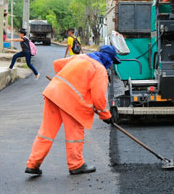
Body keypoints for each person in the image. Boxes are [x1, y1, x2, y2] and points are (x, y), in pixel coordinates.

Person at [25, 45, 120, 175]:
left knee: (46, 132)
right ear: (108, 59)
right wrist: (106, 116)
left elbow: (57, 64)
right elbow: (99, 98)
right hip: (71, 103)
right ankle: (76, 165)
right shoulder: (99, 70)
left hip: (53, 93)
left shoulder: (81, 57)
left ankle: (33, 164)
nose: (111, 65)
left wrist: (66, 81)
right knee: (74, 134)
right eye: (112, 62)